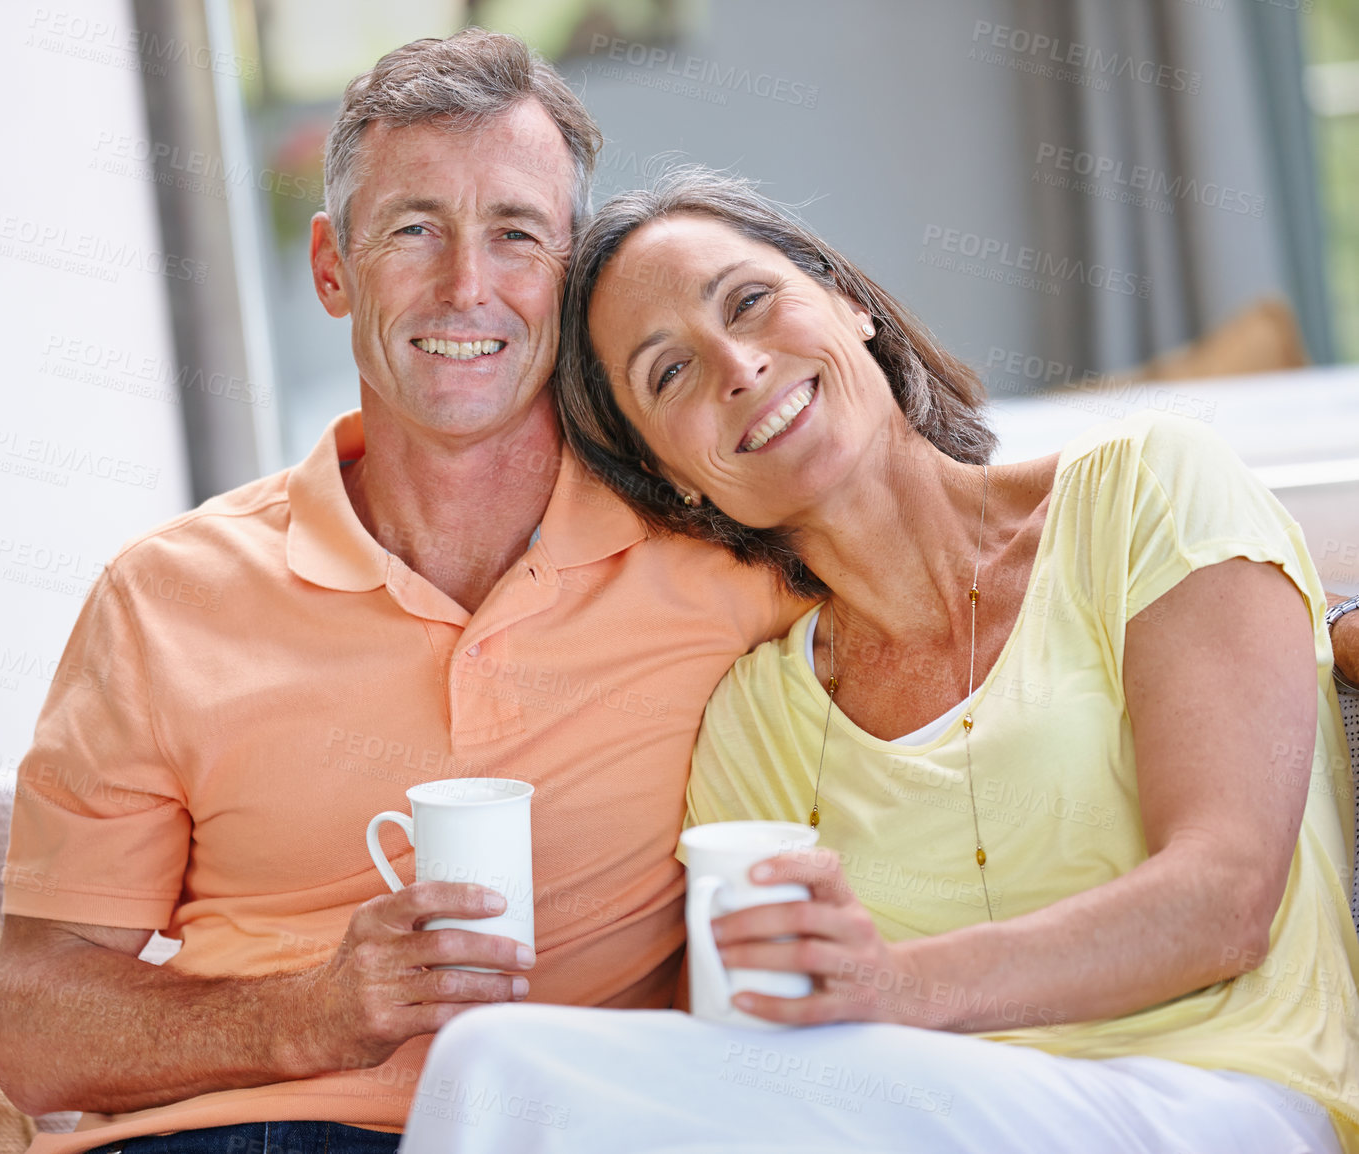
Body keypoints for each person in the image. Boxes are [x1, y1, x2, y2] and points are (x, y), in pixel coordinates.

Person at [400, 167, 1359, 1154]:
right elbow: (738, 1064)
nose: (735, 363)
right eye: (669, 374)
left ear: (849, 302)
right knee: (495, 1063)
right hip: (915, 1119)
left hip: (1217, 1103)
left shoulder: (1146, 490)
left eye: (751, 300)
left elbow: (1224, 899)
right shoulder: (756, 721)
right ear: (672, 480)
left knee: (496, 1071)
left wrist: (896, 985)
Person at [0, 34, 807, 1154]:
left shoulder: (719, 558)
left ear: (572, 281)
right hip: (241, 1135)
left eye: (516, 234)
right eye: (414, 229)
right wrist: (311, 1011)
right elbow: (32, 1030)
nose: (465, 286)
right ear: (333, 267)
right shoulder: (163, 599)